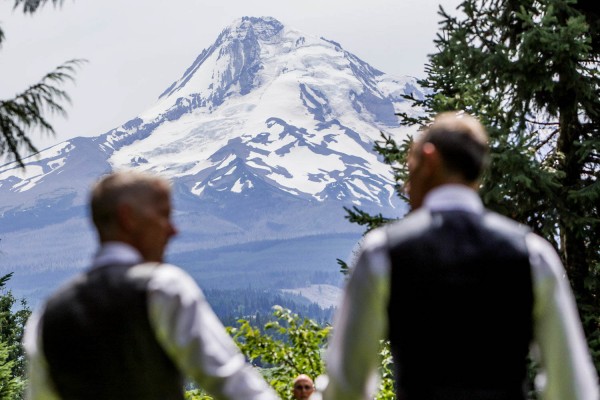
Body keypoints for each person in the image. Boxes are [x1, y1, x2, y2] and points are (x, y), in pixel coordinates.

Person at [323, 112, 599, 400]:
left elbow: (347, 387)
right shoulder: (532, 253)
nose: (407, 185)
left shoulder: (383, 251)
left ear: (429, 159)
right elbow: (571, 387)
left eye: (411, 167)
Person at [24, 171, 279, 400]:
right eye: (164, 215)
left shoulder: (47, 314)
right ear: (128, 218)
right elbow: (233, 383)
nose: (172, 230)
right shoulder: (162, 286)